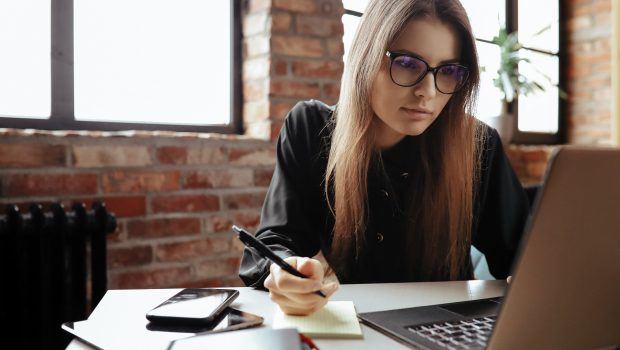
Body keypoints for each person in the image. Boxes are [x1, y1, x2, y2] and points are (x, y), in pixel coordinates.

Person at [239, 0, 530, 316]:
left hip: (449, 330)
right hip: (355, 329)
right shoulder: (310, 128)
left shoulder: (479, 145)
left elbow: (524, 256)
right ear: (366, 57)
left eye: (447, 71)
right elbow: (275, 240)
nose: (427, 92)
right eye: (407, 63)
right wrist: (286, 271)